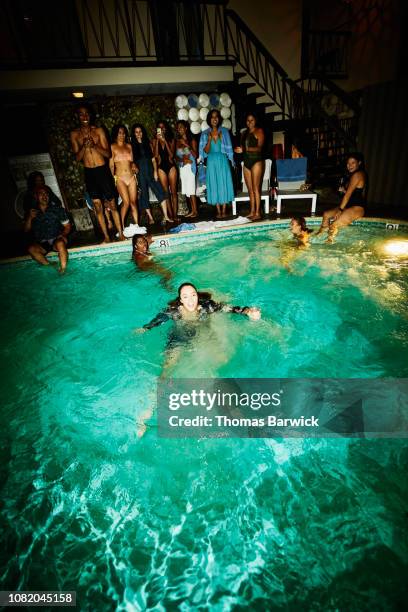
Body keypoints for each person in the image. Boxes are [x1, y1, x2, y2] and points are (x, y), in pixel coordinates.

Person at [70, 104, 124, 243]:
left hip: (103, 171)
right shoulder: (74, 134)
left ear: (90, 115)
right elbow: (77, 158)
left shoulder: (99, 131)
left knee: (112, 205)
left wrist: (94, 145)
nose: (85, 116)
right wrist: (84, 147)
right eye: (81, 114)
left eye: (87, 113)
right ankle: (106, 237)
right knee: (98, 207)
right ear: (78, 117)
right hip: (89, 173)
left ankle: (120, 233)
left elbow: (107, 153)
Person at [139, 282, 261, 330]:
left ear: (197, 296)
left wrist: (248, 311)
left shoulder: (207, 307)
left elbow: (230, 308)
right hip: (180, 335)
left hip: (204, 331)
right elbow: (159, 319)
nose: (191, 300)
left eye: (193, 295)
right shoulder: (174, 311)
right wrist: (145, 328)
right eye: (185, 297)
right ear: (181, 300)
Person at [316, 153, 367, 243]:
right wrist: (344, 191)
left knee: (333, 225)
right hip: (348, 205)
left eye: (353, 163)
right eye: (348, 163)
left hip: (357, 207)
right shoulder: (352, 175)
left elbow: (348, 195)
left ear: (359, 163)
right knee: (326, 214)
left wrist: (340, 210)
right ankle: (319, 235)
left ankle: (329, 242)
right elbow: (352, 192)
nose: (349, 165)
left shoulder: (357, 175)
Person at [131, 123, 173, 225]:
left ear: (143, 132)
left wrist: (155, 171)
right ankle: (150, 218)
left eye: (140, 131)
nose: (138, 134)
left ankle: (166, 216)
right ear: (133, 134)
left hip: (150, 170)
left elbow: (153, 159)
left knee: (160, 191)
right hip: (140, 173)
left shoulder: (148, 143)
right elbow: (131, 161)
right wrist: (134, 170)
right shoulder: (132, 146)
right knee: (144, 195)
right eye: (136, 132)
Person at [24, 186, 71, 273]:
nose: (44, 196)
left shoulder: (57, 209)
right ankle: (49, 265)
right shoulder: (32, 212)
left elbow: (67, 226)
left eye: (46, 194)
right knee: (31, 249)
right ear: (36, 196)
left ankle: (63, 270)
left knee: (60, 243)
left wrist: (63, 234)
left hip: (57, 239)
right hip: (42, 243)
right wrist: (30, 218)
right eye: (41, 194)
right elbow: (26, 230)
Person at [199, 109, 234, 219]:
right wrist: (209, 140)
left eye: (216, 117)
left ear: (219, 119)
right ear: (209, 119)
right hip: (212, 161)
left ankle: (224, 210)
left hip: (222, 160)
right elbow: (205, 151)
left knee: (223, 183)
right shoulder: (205, 133)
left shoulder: (224, 131)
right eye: (212, 117)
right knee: (214, 183)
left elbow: (229, 149)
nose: (214, 119)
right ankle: (218, 210)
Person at [234, 112, 265, 220]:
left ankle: (258, 212)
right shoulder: (244, 133)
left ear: (255, 121)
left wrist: (245, 149)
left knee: (256, 188)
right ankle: (252, 212)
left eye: (252, 120)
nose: (250, 122)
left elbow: (259, 148)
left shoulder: (259, 131)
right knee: (250, 189)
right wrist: (239, 151)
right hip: (246, 162)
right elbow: (243, 149)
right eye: (248, 120)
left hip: (256, 161)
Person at [110, 124, 138, 227]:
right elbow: (111, 165)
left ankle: (137, 226)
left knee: (133, 202)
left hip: (131, 177)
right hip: (120, 178)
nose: (122, 135)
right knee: (126, 203)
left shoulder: (129, 146)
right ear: (116, 134)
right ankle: (121, 227)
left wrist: (135, 166)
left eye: (123, 133)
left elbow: (132, 162)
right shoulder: (112, 147)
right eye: (119, 133)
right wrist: (112, 181)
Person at [152, 120, 178, 219]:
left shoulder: (171, 139)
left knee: (174, 192)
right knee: (166, 193)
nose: (161, 129)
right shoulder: (155, 141)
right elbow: (156, 156)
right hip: (161, 168)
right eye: (159, 127)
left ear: (165, 129)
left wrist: (165, 141)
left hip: (171, 166)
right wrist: (159, 141)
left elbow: (171, 155)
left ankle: (175, 215)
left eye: (163, 127)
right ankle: (170, 216)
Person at [175, 120, 198, 218]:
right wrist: (182, 160)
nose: (179, 129)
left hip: (190, 167)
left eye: (181, 127)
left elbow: (195, 155)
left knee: (191, 189)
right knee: (187, 190)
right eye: (178, 127)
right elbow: (176, 157)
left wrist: (186, 144)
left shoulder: (192, 140)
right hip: (183, 167)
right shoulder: (178, 142)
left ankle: (195, 211)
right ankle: (192, 210)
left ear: (186, 128)